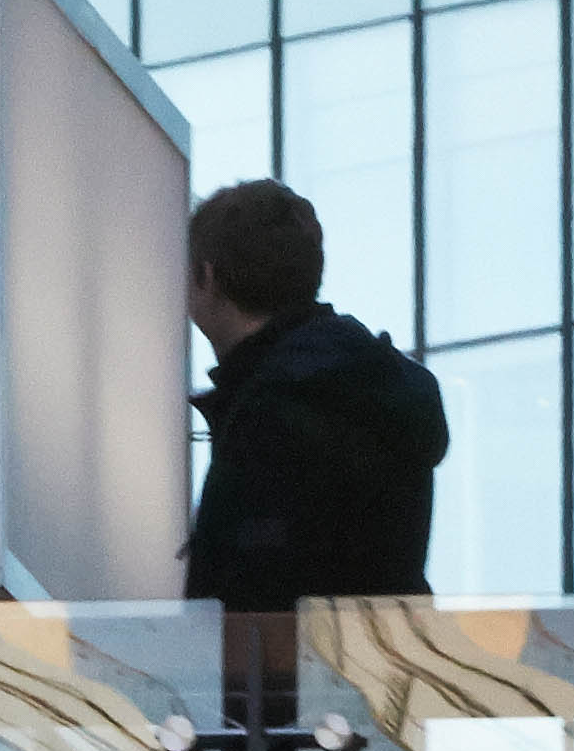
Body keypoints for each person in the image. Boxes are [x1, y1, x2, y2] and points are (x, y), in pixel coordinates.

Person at [177, 179, 448, 608]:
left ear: (206, 276)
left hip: (275, 670)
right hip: (384, 667)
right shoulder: (381, 383)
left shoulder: (270, 410)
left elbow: (244, 596)